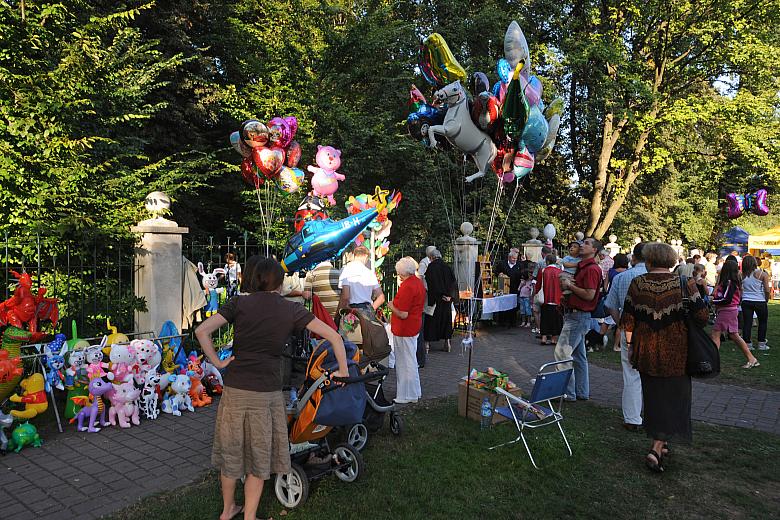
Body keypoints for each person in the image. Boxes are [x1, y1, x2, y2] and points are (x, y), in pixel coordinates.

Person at [195, 255, 348, 520]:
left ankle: (227, 510)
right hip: (267, 393)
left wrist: (219, 362)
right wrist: (343, 371)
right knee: (258, 456)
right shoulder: (290, 309)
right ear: (279, 282)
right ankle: (250, 516)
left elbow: (201, 331)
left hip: (235, 390)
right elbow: (334, 336)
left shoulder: (238, 303)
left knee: (232, 453)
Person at [620, 242, 709, 473]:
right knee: (675, 398)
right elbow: (702, 316)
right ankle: (656, 448)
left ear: (649, 260)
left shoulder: (637, 283)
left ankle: (661, 444)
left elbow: (628, 320)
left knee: (654, 397)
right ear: (670, 260)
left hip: (646, 349)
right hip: (677, 351)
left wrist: (630, 346)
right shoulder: (684, 282)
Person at [554, 237, 604, 401]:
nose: (582, 245)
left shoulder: (591, 269)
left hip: (578, 316)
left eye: (587, 243)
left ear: (594, 250)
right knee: (579, 357)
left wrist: (569, 286)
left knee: (562, 353)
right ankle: (581, 392)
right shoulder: (584, 266)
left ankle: (567, 392)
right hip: (576, 314)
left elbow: (589, 295)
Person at [605, 242, 647, 431]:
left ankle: (632, 417)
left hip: (629, 327)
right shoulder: (659, 278)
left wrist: (620, 322)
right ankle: (654, 415)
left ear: (634, 257)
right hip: (653, 330)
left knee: (631, 373)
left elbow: (611, 304)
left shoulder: (622, 277)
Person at [386, 257, 426, 404]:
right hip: (413, 326)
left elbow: (403, 313)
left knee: (404, 362)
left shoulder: (407, 286)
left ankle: (406, 395)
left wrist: (391, 306)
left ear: (403, 272)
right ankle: (414, 392)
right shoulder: (417, 283)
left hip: (405, 328)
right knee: (410, 360)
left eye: (399, 273)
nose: (399, 276)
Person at [710, 259, 760, 368]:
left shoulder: (729, 282)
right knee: (734, 335)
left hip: (727, 310)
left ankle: (712, 360)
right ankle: (751, 358)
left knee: (716, 334)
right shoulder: (732, 282)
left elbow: (727, 299)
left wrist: (713, 301)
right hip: (730, 310)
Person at [424, 249, 457, 352]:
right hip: (446, 299)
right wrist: (450, 297)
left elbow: (431, 284)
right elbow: (453, 283)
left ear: (431, 257)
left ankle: (427, 345)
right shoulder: (447, 267)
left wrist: (437, 295)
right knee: (446, 321)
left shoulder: (431, 267)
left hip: (436, 299)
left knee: (431, 322)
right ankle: (447, 343)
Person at [338, 246, 386, 314]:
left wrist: (339, 313)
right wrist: (370, 311)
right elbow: (381, 298)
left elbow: (345, 296)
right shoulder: (370, 273)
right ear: (366, 256)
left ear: (354, 256)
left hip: (352, 312)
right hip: (367, 311)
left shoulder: (346, 270)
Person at [741, 255, 771, 351]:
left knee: (747, 323)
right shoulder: (762, 274)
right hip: (760, 300)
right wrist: (766, 299)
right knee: (762, 322)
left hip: (746, 300)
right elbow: (767, 289)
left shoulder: (741, 275)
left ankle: (748, 344)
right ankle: (761, 344)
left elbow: (739, 289)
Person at [416, 246, 436, 368]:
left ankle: (421, 357)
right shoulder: (424, 263)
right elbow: (421, 277)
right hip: (425, 294)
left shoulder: (429, 262)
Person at [536, 254, 563, 345]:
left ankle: (544, 337)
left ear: (547, 261)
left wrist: (535, 293)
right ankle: (554, 338)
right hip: (557, 299)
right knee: (556, 319)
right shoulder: (560, 272)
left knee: (544, 318)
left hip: (545, 298)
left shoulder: (542, 271)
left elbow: (538, 285)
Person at [494, 249, 523, 326]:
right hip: (503, 288)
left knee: (513, 305)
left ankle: (512, 321)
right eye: (513, 258)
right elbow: (496, 272)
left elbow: (522, 275)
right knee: (503, 304)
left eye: (516, 258)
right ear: (509, 257)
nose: (515, 260)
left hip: (515, 287)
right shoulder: (502, 264)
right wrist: (499, 274)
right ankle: (502, 321)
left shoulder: (519, 265)